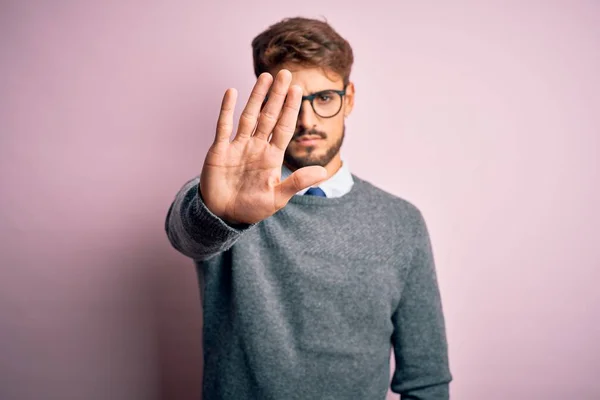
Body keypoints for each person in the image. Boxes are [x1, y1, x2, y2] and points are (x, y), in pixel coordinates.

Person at [165, 16, 452, 400]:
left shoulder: (401, 222)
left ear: (348, 99)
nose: (306, 120)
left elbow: (426, 380)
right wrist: (223, 216)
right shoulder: (231, 201)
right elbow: (188, 236)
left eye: (324, 98)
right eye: (288, 102)